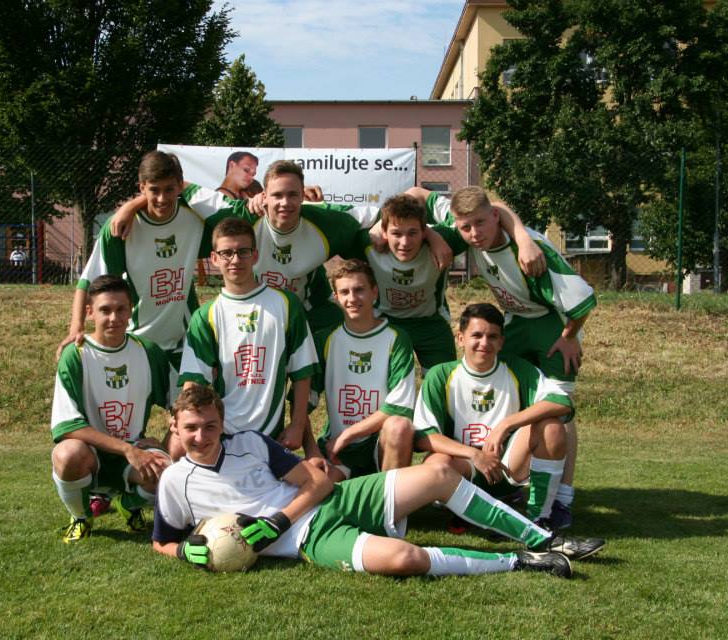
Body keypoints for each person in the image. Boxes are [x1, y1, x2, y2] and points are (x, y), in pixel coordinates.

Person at [152, 385, 606, 577]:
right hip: (311, 539)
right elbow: (162, 541)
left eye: (210, 426)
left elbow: (317, 484)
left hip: (338, 499)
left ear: (222, 422)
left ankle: (547, 539)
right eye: (191, 428)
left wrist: (276, 520)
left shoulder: (250, 442)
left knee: (440, 473)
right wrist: (185, 552)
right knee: (406, 559)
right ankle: (520, 561)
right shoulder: (175, 482)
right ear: (174, 427)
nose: (201, 436)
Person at [413, 186, 597, 530]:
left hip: (552, 323)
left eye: (480, 224)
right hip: (515, 321)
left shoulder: (530, 250)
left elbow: (583, 300)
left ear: (495, 217)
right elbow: (419, 194)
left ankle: (560, 499)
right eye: (465, 227)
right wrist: (431, 235)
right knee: (504, 387)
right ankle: (506, 484)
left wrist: (570, 336)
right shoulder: (469, 224)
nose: (473, 233)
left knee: (556, 411)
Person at [56, 151, 252, 407]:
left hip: (183, 341)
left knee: (192, 415)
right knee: (127, 417)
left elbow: (237, 217)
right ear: (141, 188)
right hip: (137, 341)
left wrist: (136, 202)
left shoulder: (194, 217)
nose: (162, 199)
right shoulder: (120, 228)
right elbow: (89, 281)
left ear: (180, 186)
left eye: (170, 189)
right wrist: (76, 328)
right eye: (154, 190)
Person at [109, 159, 381, 334]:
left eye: (292, 195)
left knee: (330, 356)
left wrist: (380, 229)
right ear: (264, 196)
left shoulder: (327, 220)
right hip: (253, 316)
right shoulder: (241, 216)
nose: (284, 203)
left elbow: (384, 215)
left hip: (306, 314)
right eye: (277, 195)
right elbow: (179, 187)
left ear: (302, 196)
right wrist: (131, 205)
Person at [414, 303, 575, 531]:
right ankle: (466, 511)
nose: (484, 343)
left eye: (492, 337)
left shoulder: (518, 369)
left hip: (506, 468)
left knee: (552, 427)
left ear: (501, 342)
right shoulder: (441, 375)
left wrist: (506, 425)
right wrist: (475, 454)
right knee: (435, 463)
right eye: (476, 335)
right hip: (465, 467)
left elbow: (562, 402)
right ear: (460, 339)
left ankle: (539, 518)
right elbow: (424, 437)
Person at [178, 218, 321, 460]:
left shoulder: (286, 304)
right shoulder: (206, 315)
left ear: (255, 255)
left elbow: (302, 372)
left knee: (308, 482)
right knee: (175, 449)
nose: (235, 260)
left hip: (272, 437)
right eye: (227, 253)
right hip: (223, 435)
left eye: (243, 252)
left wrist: (297, 425)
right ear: (214, 259)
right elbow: (193, 382)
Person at [50, 275, 172, 543]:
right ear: (90, 312)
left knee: (166, 471)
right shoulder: (76, 355)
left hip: (132, 450)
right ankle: (81, 517)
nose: (114, 318)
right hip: (91, 453)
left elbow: (179, 405)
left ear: (131, 311)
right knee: (67, 454)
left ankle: (127, 505)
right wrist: (128, 449)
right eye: (105, 310)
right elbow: (67, 426)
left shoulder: (148, 352)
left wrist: (163, 442)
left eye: (121, 309)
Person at [311, 259, 416, 482]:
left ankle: (390, 502)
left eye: (359, 290)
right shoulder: (325, 339)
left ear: (374, 292)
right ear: (336, 297)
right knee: (316, 490)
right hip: (338, 448)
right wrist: (311, 449)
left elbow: (399, 407)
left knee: (400, 426)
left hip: (379, 443)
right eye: (344, 292)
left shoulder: (397, 338)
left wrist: (349, 434)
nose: (352, 298)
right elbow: (304, 400)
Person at [346, 194, 459, 372]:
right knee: (380, 382)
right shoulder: (367, 242)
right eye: (396, 233)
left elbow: (470, 216)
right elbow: (334, 221)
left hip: (431, 325)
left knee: (442, 381)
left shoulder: (444, 240)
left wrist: (434, 235)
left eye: (413, 233)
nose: (404, 243)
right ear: (383, 232)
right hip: (385, 322)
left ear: (424, 231)